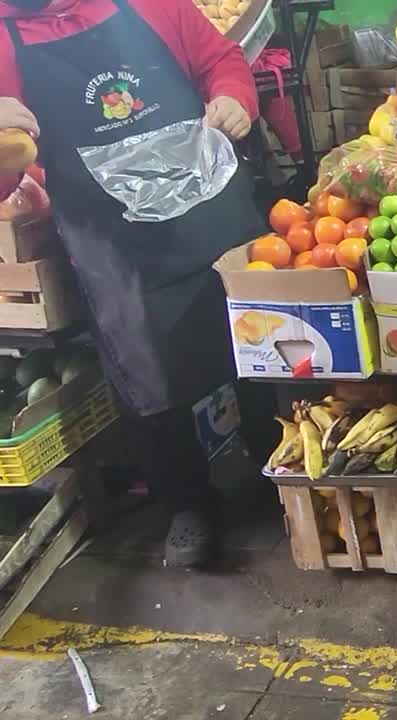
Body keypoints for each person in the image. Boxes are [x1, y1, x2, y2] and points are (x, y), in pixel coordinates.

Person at [0, 0, 265, 567]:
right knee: (145, 365)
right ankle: (188, 503)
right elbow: (7, 177)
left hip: (210, 209)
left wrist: (233, 98)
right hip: (115, 239)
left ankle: (281, 465)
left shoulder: (149, 3)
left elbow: (221, 58)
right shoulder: (3, 40)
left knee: (258, 341)